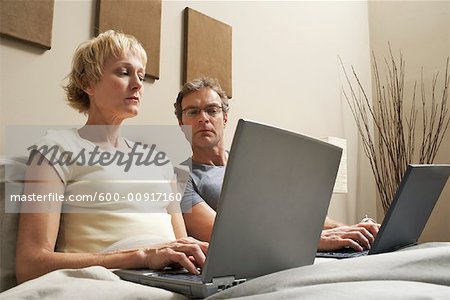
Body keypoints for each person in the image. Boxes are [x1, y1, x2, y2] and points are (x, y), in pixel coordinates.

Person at [15, 31, 207, 284]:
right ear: (88, 83)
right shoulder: (55, 149)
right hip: (109, 281)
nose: (138, 84)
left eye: (140, 74)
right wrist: (139, 256)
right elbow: (31, 264)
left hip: (174, 279)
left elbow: (180, 244)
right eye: (124, 72)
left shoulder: (159, 162)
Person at [173, 77, 380, 252]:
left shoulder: (254, 161)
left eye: (212, 110)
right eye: (192, 112)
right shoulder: (179, 178)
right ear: (181, 124)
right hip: (268, 256)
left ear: (225, 118)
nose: (203, 118)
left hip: (303, 249)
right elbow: (221, 235)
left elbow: (298, 213)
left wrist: (351, 230)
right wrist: (314, 241)